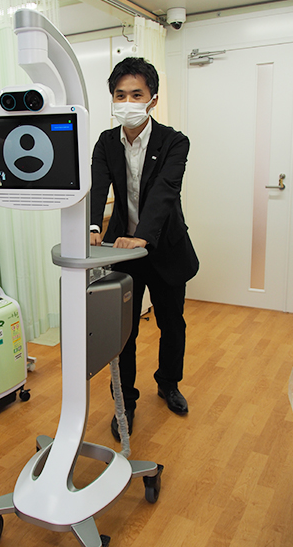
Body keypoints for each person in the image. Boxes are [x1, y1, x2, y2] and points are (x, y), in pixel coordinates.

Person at [90, 57, 199, 440]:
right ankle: (125, 402)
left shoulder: (174, 141)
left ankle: (169, 383)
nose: (128, 102)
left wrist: (144, 236)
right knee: (123, 332)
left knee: (172, 324)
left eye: (136, 94)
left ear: (152, 98)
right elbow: (98, 186)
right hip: (124, 251)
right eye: (120, 95)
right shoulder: (106, 142)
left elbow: (166, 191)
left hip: (165, 246)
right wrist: (92, 227)